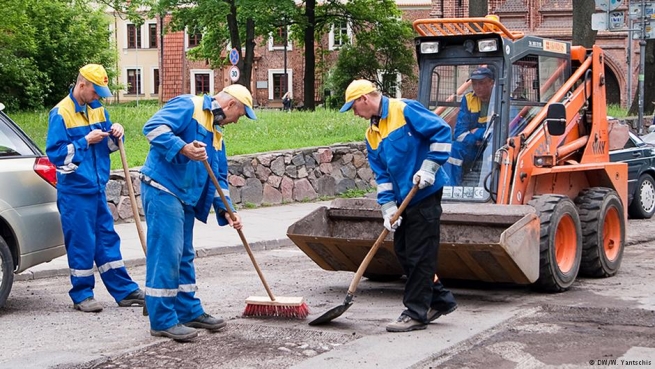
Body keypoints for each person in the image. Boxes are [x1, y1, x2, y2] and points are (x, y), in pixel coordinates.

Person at [140, 84, 256, 341]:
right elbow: (152, 128)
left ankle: (188, 310)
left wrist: (228, 210)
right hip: (163, 188)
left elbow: (218, 177)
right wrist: (183, 148)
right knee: (167, 253)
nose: (238, 121)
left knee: (184, 255)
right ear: (230, 105)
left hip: (185, 195)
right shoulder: (189, 105)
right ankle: (162, 321)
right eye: (241, 114)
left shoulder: (216, 132)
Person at [340, 79, 457, 333]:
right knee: (404, 252)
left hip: (424, 193)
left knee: (419, 254)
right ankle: (440, 300)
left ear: (364, 99)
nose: (355, 113)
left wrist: (430, 167)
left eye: (354, 107)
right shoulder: (372, 134)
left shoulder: (404, 110)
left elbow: (442, 131)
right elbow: (382, 176)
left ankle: (415, 312)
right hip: (403, 200)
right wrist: (387, 208)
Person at [46, 64, 145, 313]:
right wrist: (84, 142)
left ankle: (124, 291)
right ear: (82, 85)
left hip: (97, 186)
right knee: (82, 242)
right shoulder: (60, 113)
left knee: (107, 239)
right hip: (75, 191)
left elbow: (108, 147)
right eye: (96, 91)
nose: (99, 96)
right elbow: (56, 155)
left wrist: (116, 134)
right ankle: (82, 295)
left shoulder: (97, 109)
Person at [443, 67, 495, 186]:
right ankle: (451, 190)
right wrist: (476, 139)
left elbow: (502, 130)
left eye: (481, 83)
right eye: (474, 84)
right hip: (472, 146)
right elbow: (460, 133)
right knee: (452, 149)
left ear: (491, 82)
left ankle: (490, 189)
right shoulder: (468, 99)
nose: (477, 87)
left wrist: (477, 132)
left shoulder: (502, 99)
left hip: (493, 145)